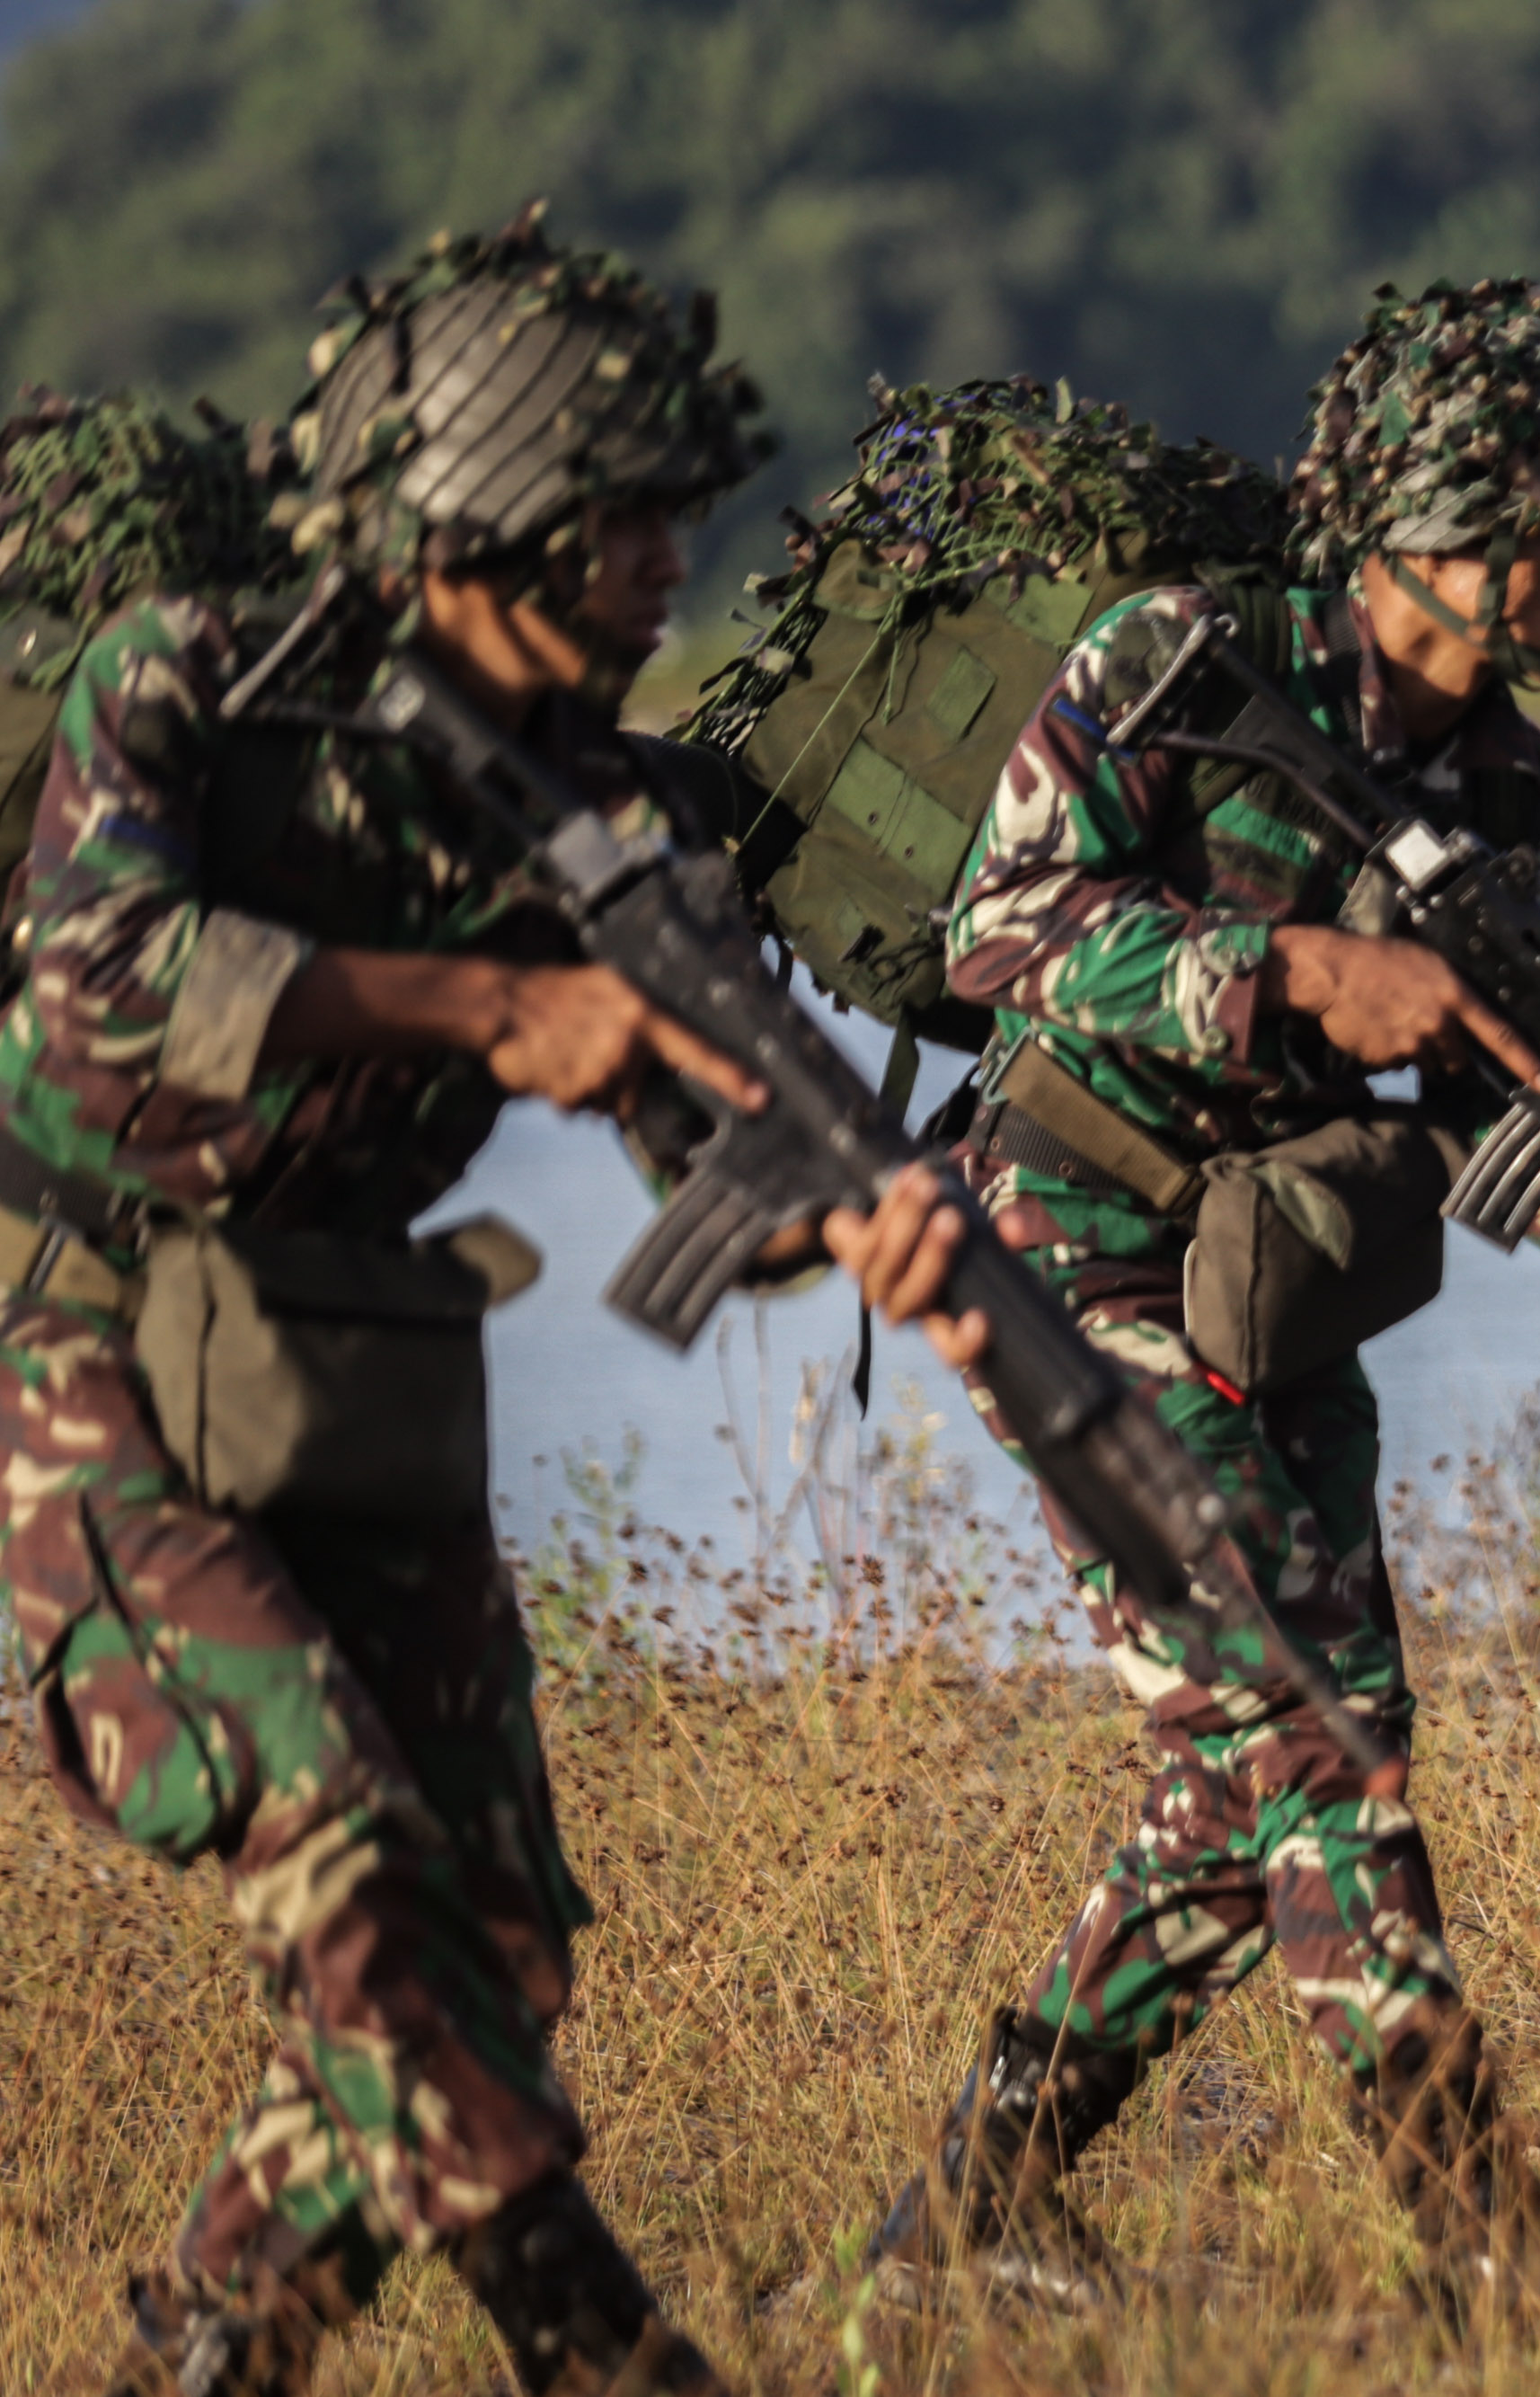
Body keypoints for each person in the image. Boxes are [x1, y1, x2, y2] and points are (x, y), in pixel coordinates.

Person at [0, 207, 984, 2397]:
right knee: (347, 1851)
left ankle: (202, 2362)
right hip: (82, 1348)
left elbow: (695, 1173)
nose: (661, 567)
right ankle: (611, 2352)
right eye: (618, 519)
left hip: (342, 1365)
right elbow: (100, 990)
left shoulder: (604, 812)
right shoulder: (192, 675)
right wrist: (488, 1004)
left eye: (671, 520)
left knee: (497, 1943)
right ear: (477, 508)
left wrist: (860, 1219)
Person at [861, 277, 1540, 2314]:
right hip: (1069, 1242)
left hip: (1275, 1278)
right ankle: (1482, 2229)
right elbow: (999, 929)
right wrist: (1291, 969)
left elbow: (1497, 1113)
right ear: (1442, 533)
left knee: (1248, 1781)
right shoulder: (1179, 658)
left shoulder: (1505, 790)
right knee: (1317, 1727)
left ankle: (976, 2204)